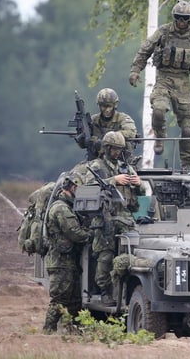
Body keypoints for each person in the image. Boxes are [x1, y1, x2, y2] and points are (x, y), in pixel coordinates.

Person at [128, 0, 190, 169]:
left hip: (184, 83)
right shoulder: (163, 32)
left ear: (189, 19)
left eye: (184, 18)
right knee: (158, 110)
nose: (181, 22)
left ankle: (188, 164)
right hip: (164, 79)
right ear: (174, 17)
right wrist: (136, 70)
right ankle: (159, 135)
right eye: (178, 18)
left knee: (188, 128)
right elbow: (145, 50)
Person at [85, 131, 145, 305]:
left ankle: (126, 290)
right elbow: (89, 186)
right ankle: (105, 292)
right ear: (107, 148)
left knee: (130, 256)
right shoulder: (96, 166)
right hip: (105, 218)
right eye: (114, 149)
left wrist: (138, 183)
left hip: (125, 218)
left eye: (120, 149)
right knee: (105, 256)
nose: (117, 152)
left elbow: (142, 192)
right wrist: (114, 180)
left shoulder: (126, 167)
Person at [43, 174, 93, 333]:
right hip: (60, 263)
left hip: (69, 262)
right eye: (79, 189)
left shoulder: (69, 207)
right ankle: (48, 331)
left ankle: (69, 331)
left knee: (74, 301)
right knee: (60, 300)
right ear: (72, 187)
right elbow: (74, 233)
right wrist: (91, 235)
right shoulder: (61, 208)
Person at [76, 88, 137, 161]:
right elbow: (83, 145)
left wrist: (107, 138)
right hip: (96, 160)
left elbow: (131, 132)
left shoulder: (123, 118)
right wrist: (83, 138)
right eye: (104, 106)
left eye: (109, 106)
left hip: (121, 160)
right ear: (99, 106)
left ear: (114, 105)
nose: (107, 110)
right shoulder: (94, 120)